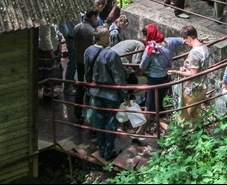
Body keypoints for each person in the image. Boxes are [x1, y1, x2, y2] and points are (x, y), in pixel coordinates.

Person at [84, 25, 128, 161]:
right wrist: (125, 96)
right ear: (102, 38)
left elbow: (87, 72)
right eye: (108, 35)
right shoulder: (111, 54)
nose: (110, 37)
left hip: (96, 92)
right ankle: (109, 151)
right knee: (110, 122)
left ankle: (101, 148)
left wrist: (89, 88)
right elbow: (118, 77)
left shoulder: (88, 51)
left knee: (99, 120)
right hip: (111, 94)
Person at [135, 24, 181, 140]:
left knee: (155, 110)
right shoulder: (169, 42)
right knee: (151, 106)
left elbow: (143, 66)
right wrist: (200, 40)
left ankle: (175, 136)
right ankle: (140, 131)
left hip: (154, 81)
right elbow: (183, 40)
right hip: (166, 79)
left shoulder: (150, 49)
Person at [169, 25, 212, 122]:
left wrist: (177, 72)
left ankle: (183, 135)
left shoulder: (194, 53)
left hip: (192, 90)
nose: (184, 42)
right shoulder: (204, 47)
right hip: (203, 86)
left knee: (183, 116)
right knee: (195, 113)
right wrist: (186, 68)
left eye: (185, 39)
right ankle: (199, 133)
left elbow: (194, 74)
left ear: (189, 38)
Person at [72, 9, 100, 124]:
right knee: (90, 89)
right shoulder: (92, 31)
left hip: (79, 61)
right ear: (93, 17)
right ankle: (91, 116)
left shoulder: (77, 27)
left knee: (80, 87)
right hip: (89, 64)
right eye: (96, 17)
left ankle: (78, 114)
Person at [38, 24, 61, 101]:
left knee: (51, 71)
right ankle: (47, 91)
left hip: (52, 49)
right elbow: (46, 38)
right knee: (49, 72)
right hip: (47, 51)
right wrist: (52, 53)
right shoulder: (45, 24)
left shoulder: (51, 22)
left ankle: (49, 89)